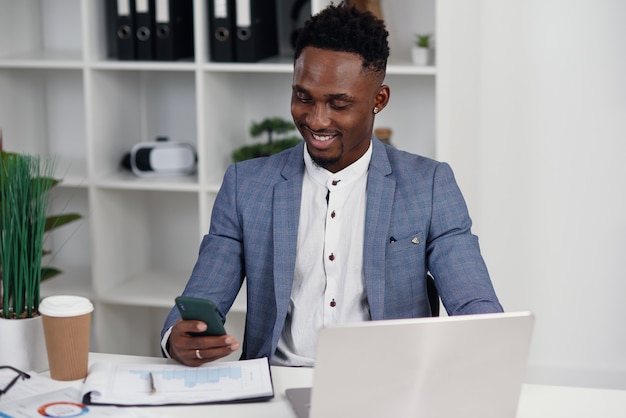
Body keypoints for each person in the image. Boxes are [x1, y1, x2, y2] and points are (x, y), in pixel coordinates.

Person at [161, 2, 503, 367]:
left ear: (379, 100)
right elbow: (203, 296)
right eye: (303, 97)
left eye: (338, 104)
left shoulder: (430, 185)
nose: (316, 119)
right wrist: (178, 337)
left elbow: (473, 300)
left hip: (388, 383)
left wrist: (486, 343)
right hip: (277, 384)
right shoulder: (245, 186)